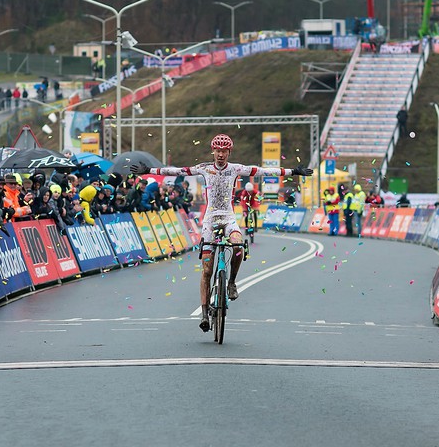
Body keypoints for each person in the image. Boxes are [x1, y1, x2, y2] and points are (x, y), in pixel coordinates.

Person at [129, 133, 312, 333]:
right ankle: (205, 313)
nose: (221, 154)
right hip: (209, 219)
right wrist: (149, 170)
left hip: (228, 217)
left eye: (224, 151)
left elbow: (262, 170)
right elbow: (177, 170)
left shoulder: (236, 169)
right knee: (207, 270)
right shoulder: (204, 168)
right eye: (218, 150)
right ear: (213, 151)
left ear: (229, 152)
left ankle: (232, 282)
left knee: (238, 246)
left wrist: (294, 171)